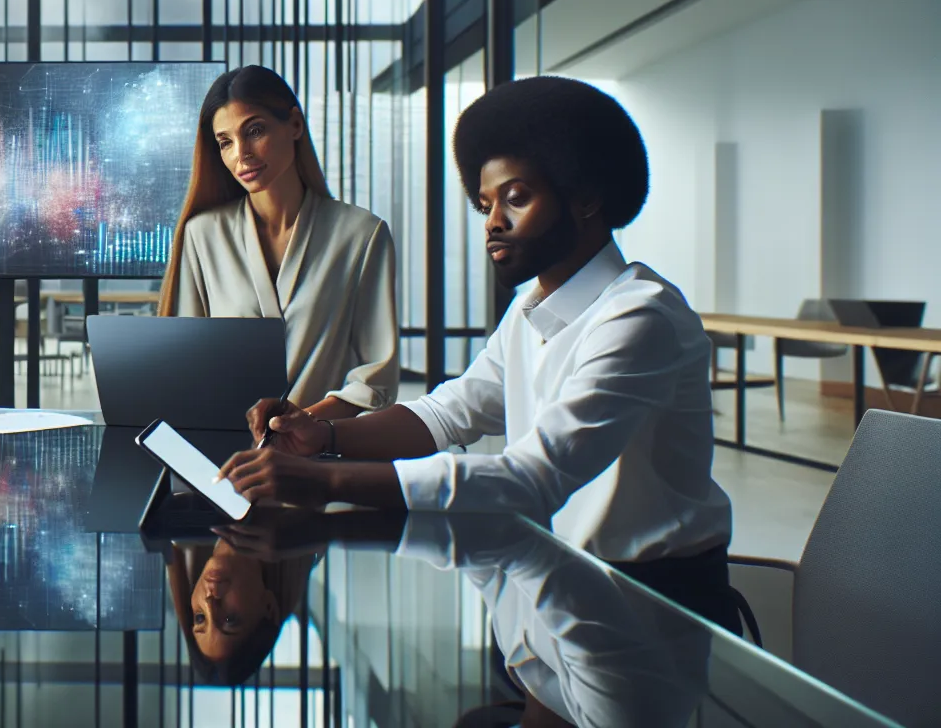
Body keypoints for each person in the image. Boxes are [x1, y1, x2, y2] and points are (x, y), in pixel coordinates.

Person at [220, 76, 738, 631]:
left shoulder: (639, 317)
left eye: (517, 198)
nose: (492, 222)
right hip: (559, 581)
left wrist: (323, 481)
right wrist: (323, 437)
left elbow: (530, 479)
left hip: (649, 608)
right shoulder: (530, 308)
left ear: (586, 196)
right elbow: (452, 412)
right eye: (485, 203)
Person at [160, 65, 398, 415]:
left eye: (254, 130)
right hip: (227, 459)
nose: (242, 153)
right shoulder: (203, 235)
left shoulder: (361, 235)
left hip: (324, 456)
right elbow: (185, 366)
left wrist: (302, 425)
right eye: (225, 142)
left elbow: (375, 378)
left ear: (296, 125)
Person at [163, 537, 316, 686]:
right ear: (269, 607)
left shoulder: (183, 534)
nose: (210, 603)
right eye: (230, 619)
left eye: (200, 618)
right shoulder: (299, 528)